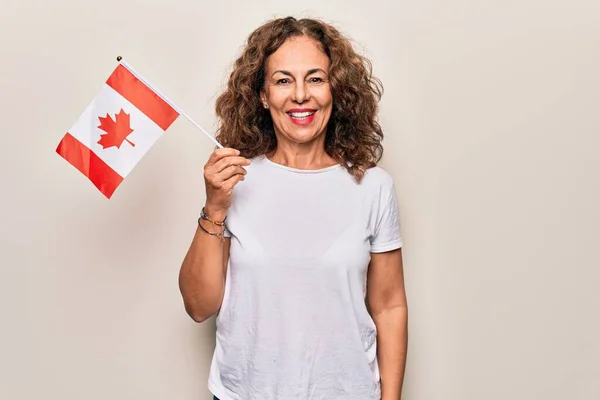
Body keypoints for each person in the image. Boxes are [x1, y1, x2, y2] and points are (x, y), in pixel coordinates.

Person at [178, 16, 408, 400]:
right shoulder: (235, 179)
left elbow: (389, 305)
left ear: (336, 89)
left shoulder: (373, 187)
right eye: (283, 80)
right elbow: (199, 307)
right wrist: (215, 207)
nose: (300, 95)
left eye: (315, 78)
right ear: (264, 95)